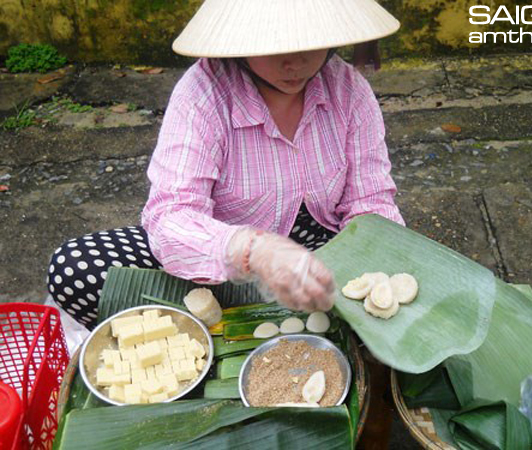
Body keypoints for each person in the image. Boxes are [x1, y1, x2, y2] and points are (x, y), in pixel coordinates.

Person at [47, 0, 405, 329]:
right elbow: (172, 215)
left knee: (408, 261)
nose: (294, 63)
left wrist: (369, 271)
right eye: (274, 45)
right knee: (76, 267)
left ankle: (294, 312)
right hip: (223, 264)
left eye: (310, 43)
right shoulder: (202, 94)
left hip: (319, 260)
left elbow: (369, 201)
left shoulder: (348, 90)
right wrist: (254, 251)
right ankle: (247, 311)